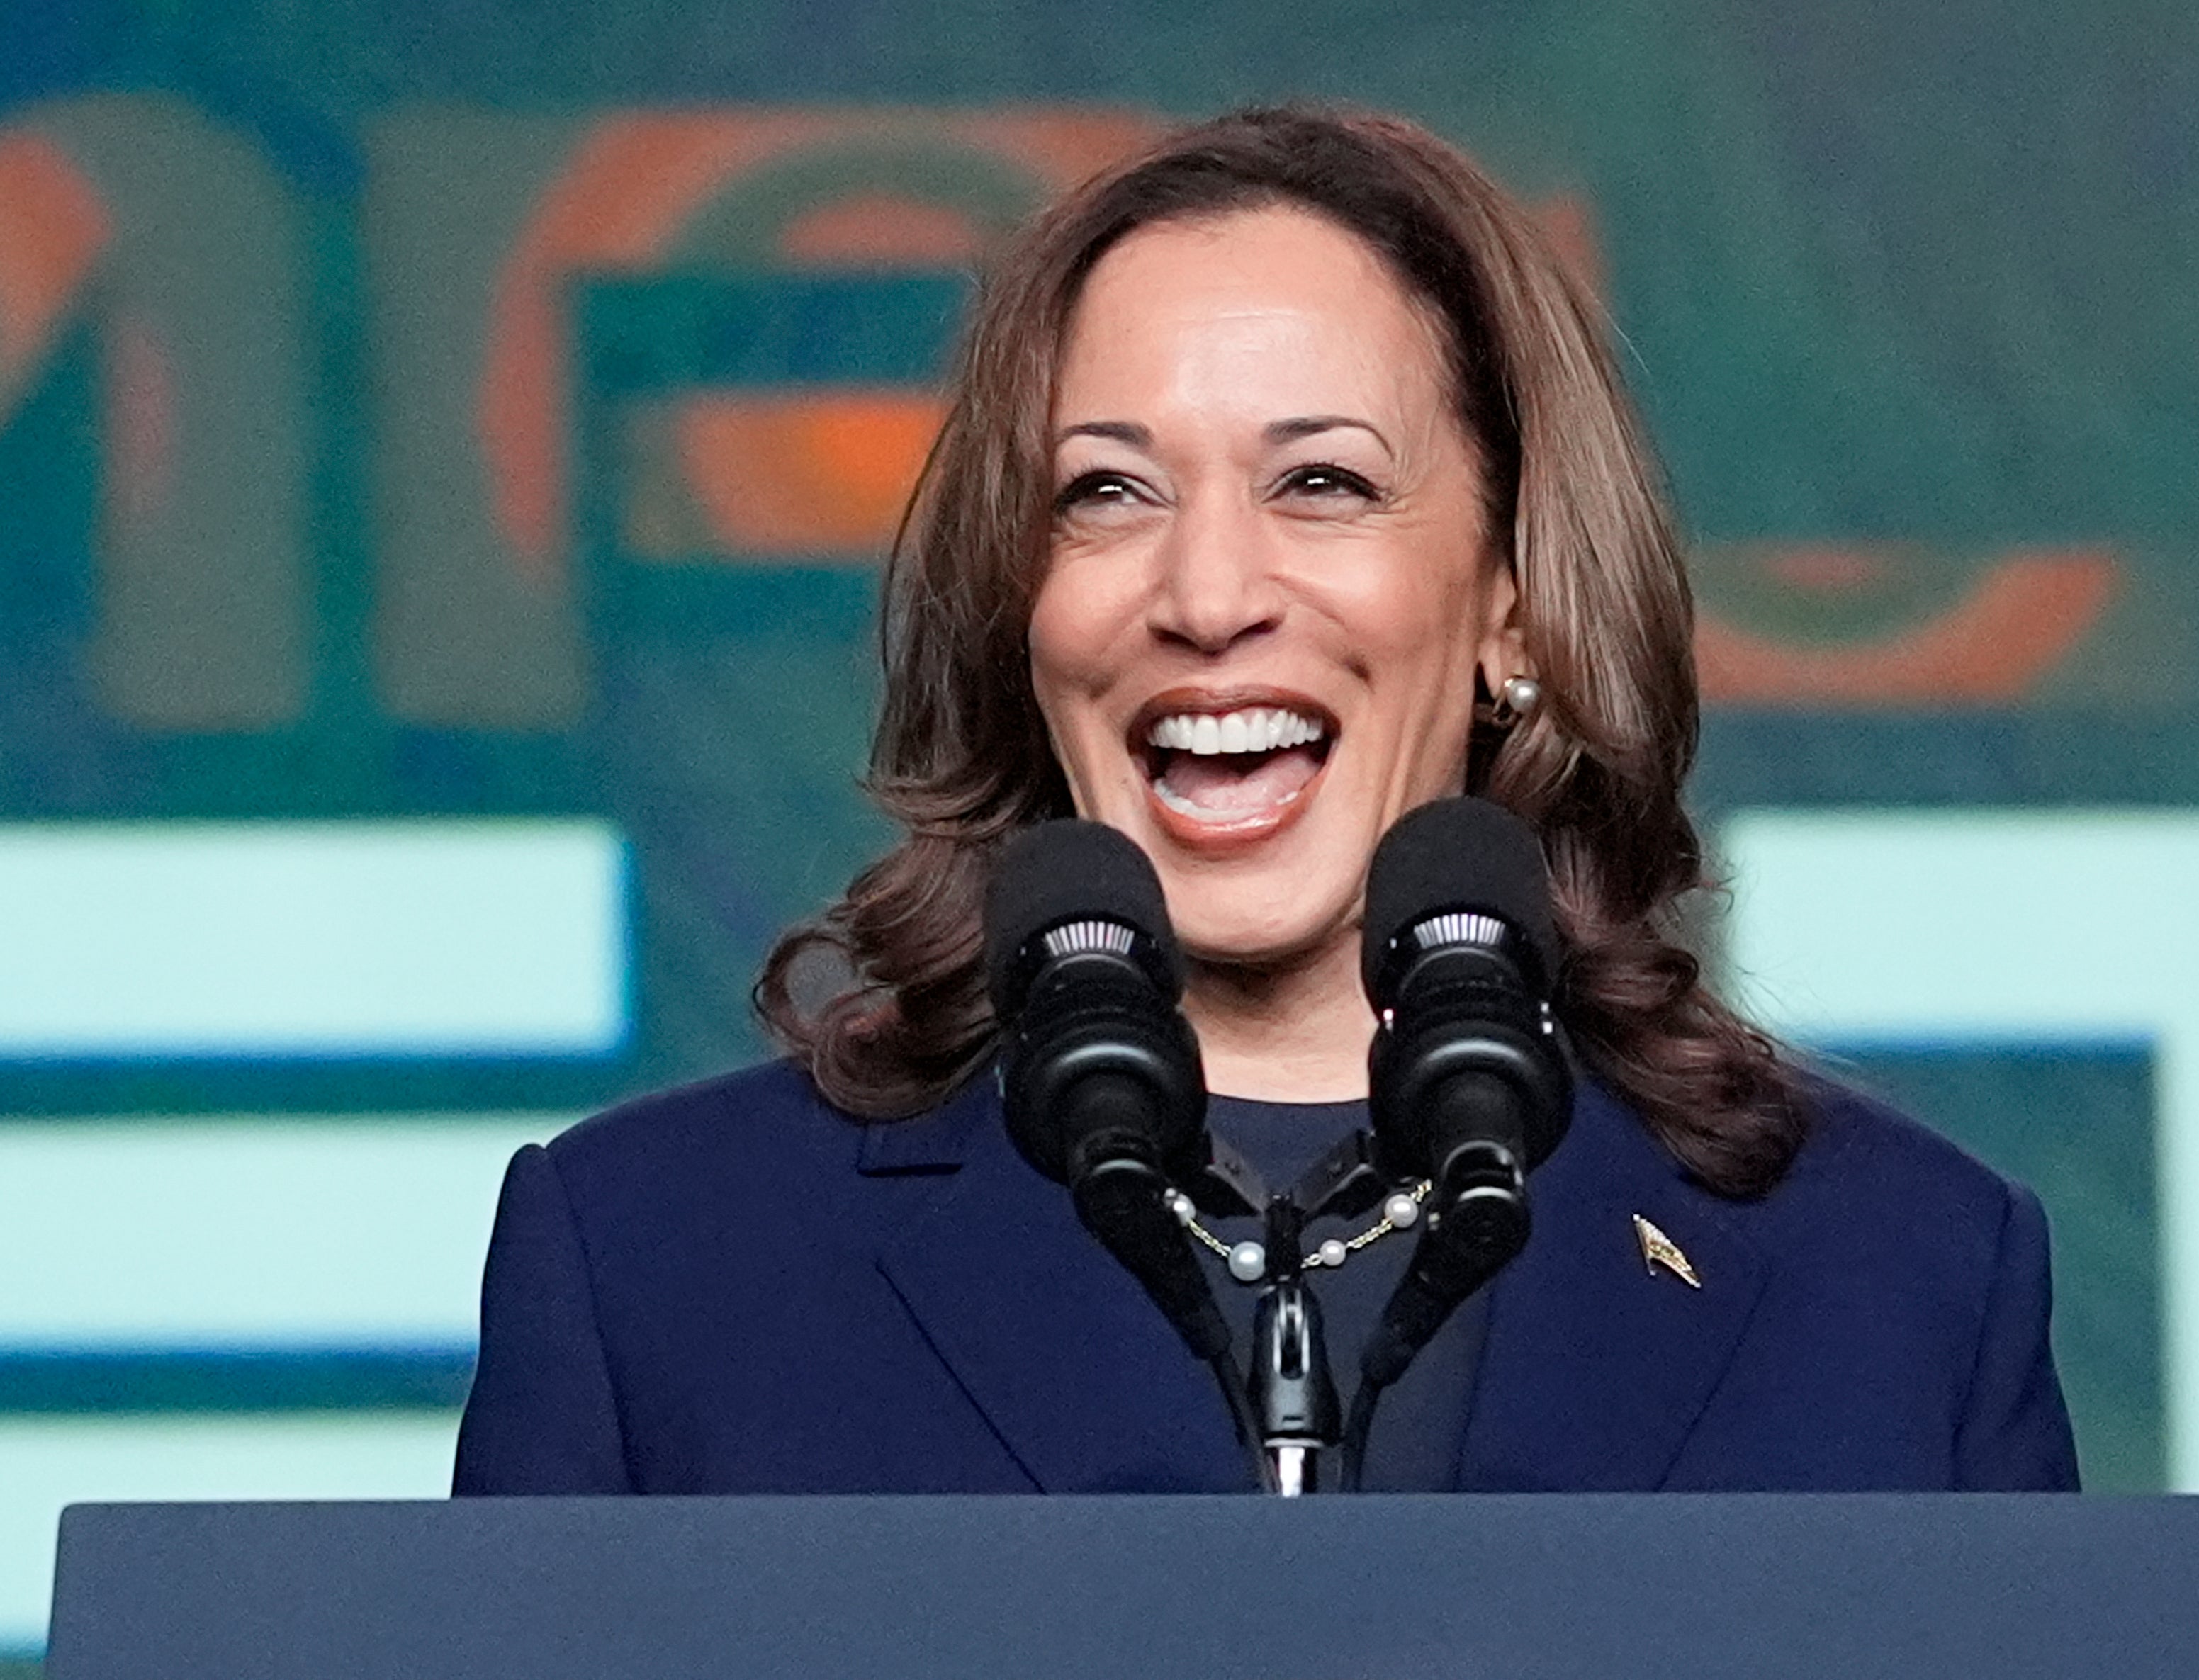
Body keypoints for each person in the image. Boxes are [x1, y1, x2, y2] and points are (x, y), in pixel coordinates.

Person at [453, 106, 2077, 1496]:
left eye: (1322, 482)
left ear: (1513, 600)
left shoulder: (1901, 1277)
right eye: (1106, 492)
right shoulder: (653, 1267)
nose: (1207, 590)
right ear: (1022, 609)